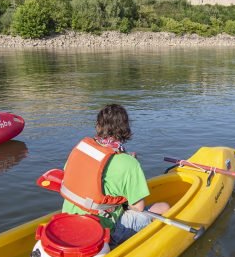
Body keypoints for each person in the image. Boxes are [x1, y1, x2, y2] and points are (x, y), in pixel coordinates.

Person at [60, 104, 169, 246]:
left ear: (98, 125)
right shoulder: (130, 164)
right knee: (164, 208)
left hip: (69, 218)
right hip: (102, 230)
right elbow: (138, 207)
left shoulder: (83, 148)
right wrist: (129, 163)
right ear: (125, 129)